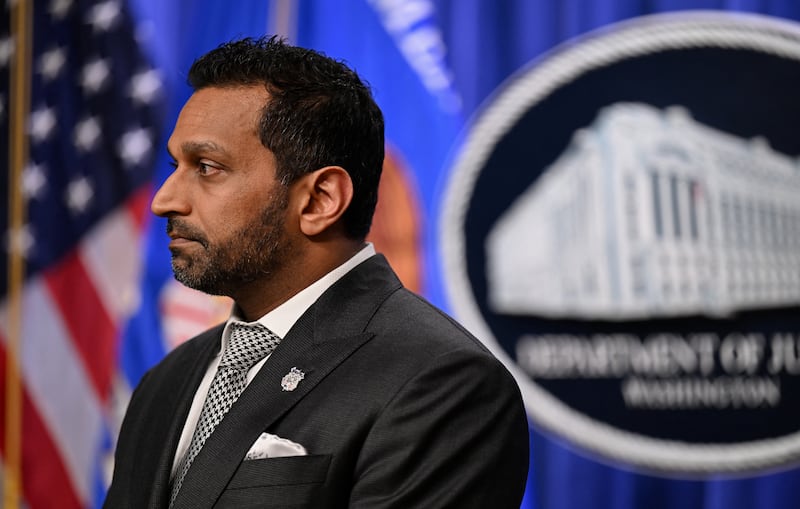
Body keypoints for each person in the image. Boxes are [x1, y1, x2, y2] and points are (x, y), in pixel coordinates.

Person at [105, 36, 529, 508]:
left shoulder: (443, 383)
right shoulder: (166, 381)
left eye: (206, 167)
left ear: (319, 200)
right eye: (174, 165)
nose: (164, 200)